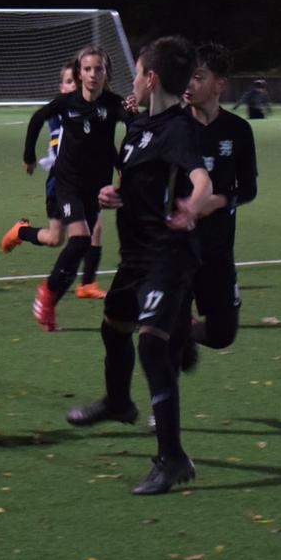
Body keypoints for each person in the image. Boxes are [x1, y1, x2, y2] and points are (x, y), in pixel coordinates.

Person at [65, 35, 214, 496]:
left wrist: (193, 206)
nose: (131, 82)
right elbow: (139, 182)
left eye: (135, 73)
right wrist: (117, 194)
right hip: (135, 255)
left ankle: (173, 458)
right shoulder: (139, 125)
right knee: (114, 328)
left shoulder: (179, 129)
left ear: (150, 78)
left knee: (151, 345)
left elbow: (202, 179)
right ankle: (118, 402)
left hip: (168, 255)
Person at [16, 46, 128, 331]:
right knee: (79, 240)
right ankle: (47, 294)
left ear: (106, 73)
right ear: (80, 73)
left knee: (79, 247)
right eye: (87, 69)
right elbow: (37, 118)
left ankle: (49, 306)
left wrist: (124, 164)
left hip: (96, 187)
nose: (92, 74)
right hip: (68, 184)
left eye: (98, 69)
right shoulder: (67, 102)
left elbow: (132, 130)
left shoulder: (114, 104)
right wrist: (29, 156)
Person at [175, 42, 258, 381]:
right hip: (177, 248)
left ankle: (183, 330)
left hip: (218, 249)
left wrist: (218, 201)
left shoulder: (238, 131)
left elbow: (248, 189)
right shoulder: (173, 126)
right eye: (187, 76)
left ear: (219, 84)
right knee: (165, 341)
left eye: (198, 77)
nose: (189, 84)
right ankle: (159, 404)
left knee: (223, 334)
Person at [0, 59, 107, 299]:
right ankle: (21, 231)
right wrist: (29, 156)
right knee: (55, 238)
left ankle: (87, 284)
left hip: (84, 182)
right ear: (61, 88)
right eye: (68, 82)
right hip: (61, 182)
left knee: (90, 229)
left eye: (75, 81)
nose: (73, 86)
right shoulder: (59, 113)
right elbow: (57, 142)